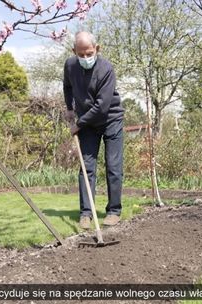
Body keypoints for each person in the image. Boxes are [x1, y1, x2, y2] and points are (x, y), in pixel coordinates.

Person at [63, 31, 125, 229]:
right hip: (87, 122)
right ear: (74, 52)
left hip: (110, 119)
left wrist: (78, 125)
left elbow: (102, 106)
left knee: (113, 166)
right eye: (81, 54)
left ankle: (114, 211)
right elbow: (67, 87)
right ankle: (86, 213)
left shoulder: (106, 69)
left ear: (97, 49)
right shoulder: (70, 66)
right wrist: (70, 109)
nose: (85, 58)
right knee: (86, 167)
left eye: (89, 53)